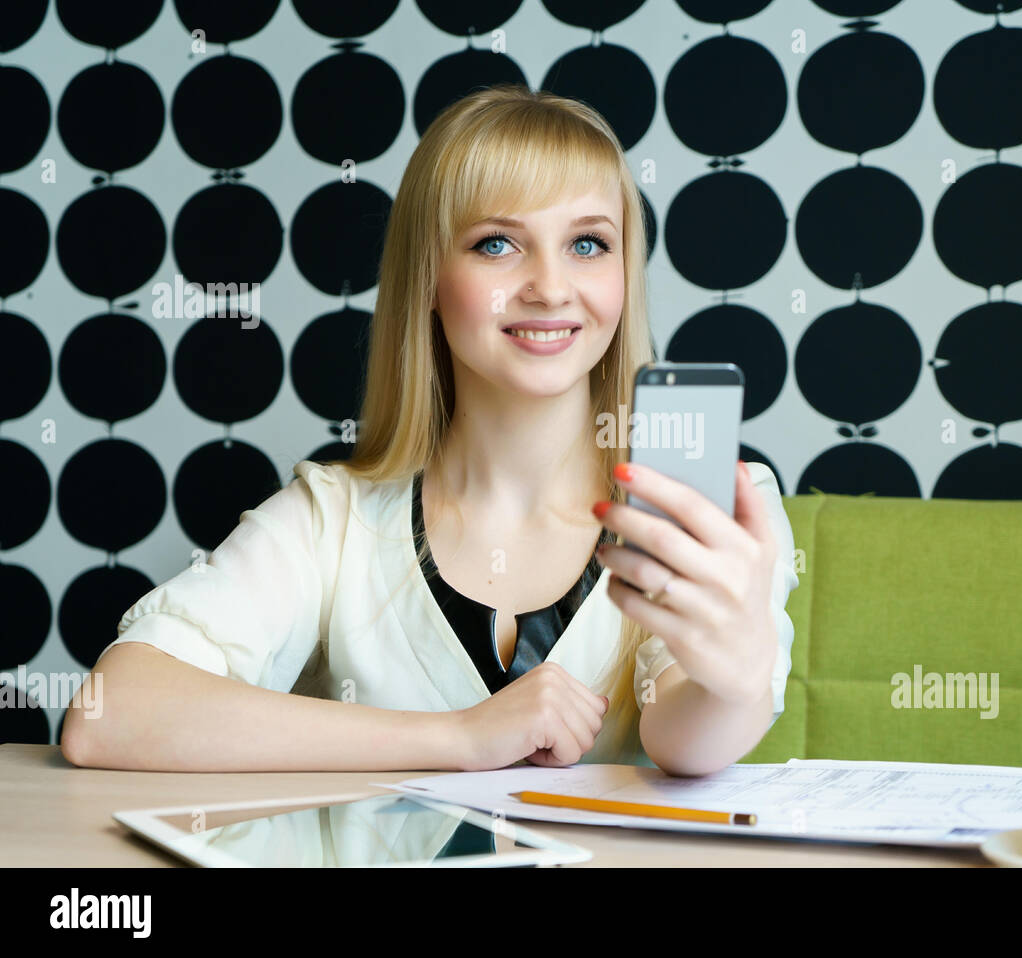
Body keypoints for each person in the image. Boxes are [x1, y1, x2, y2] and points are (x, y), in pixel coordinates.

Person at [61, 83, 798, 776]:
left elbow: (683, 740)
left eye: (587, 244)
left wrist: (733, 682)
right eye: (496, 244)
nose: (549, 286)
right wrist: (460, 736)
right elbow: (112, 714)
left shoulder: (703, 507)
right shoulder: (334, 519)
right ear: (429, 282)